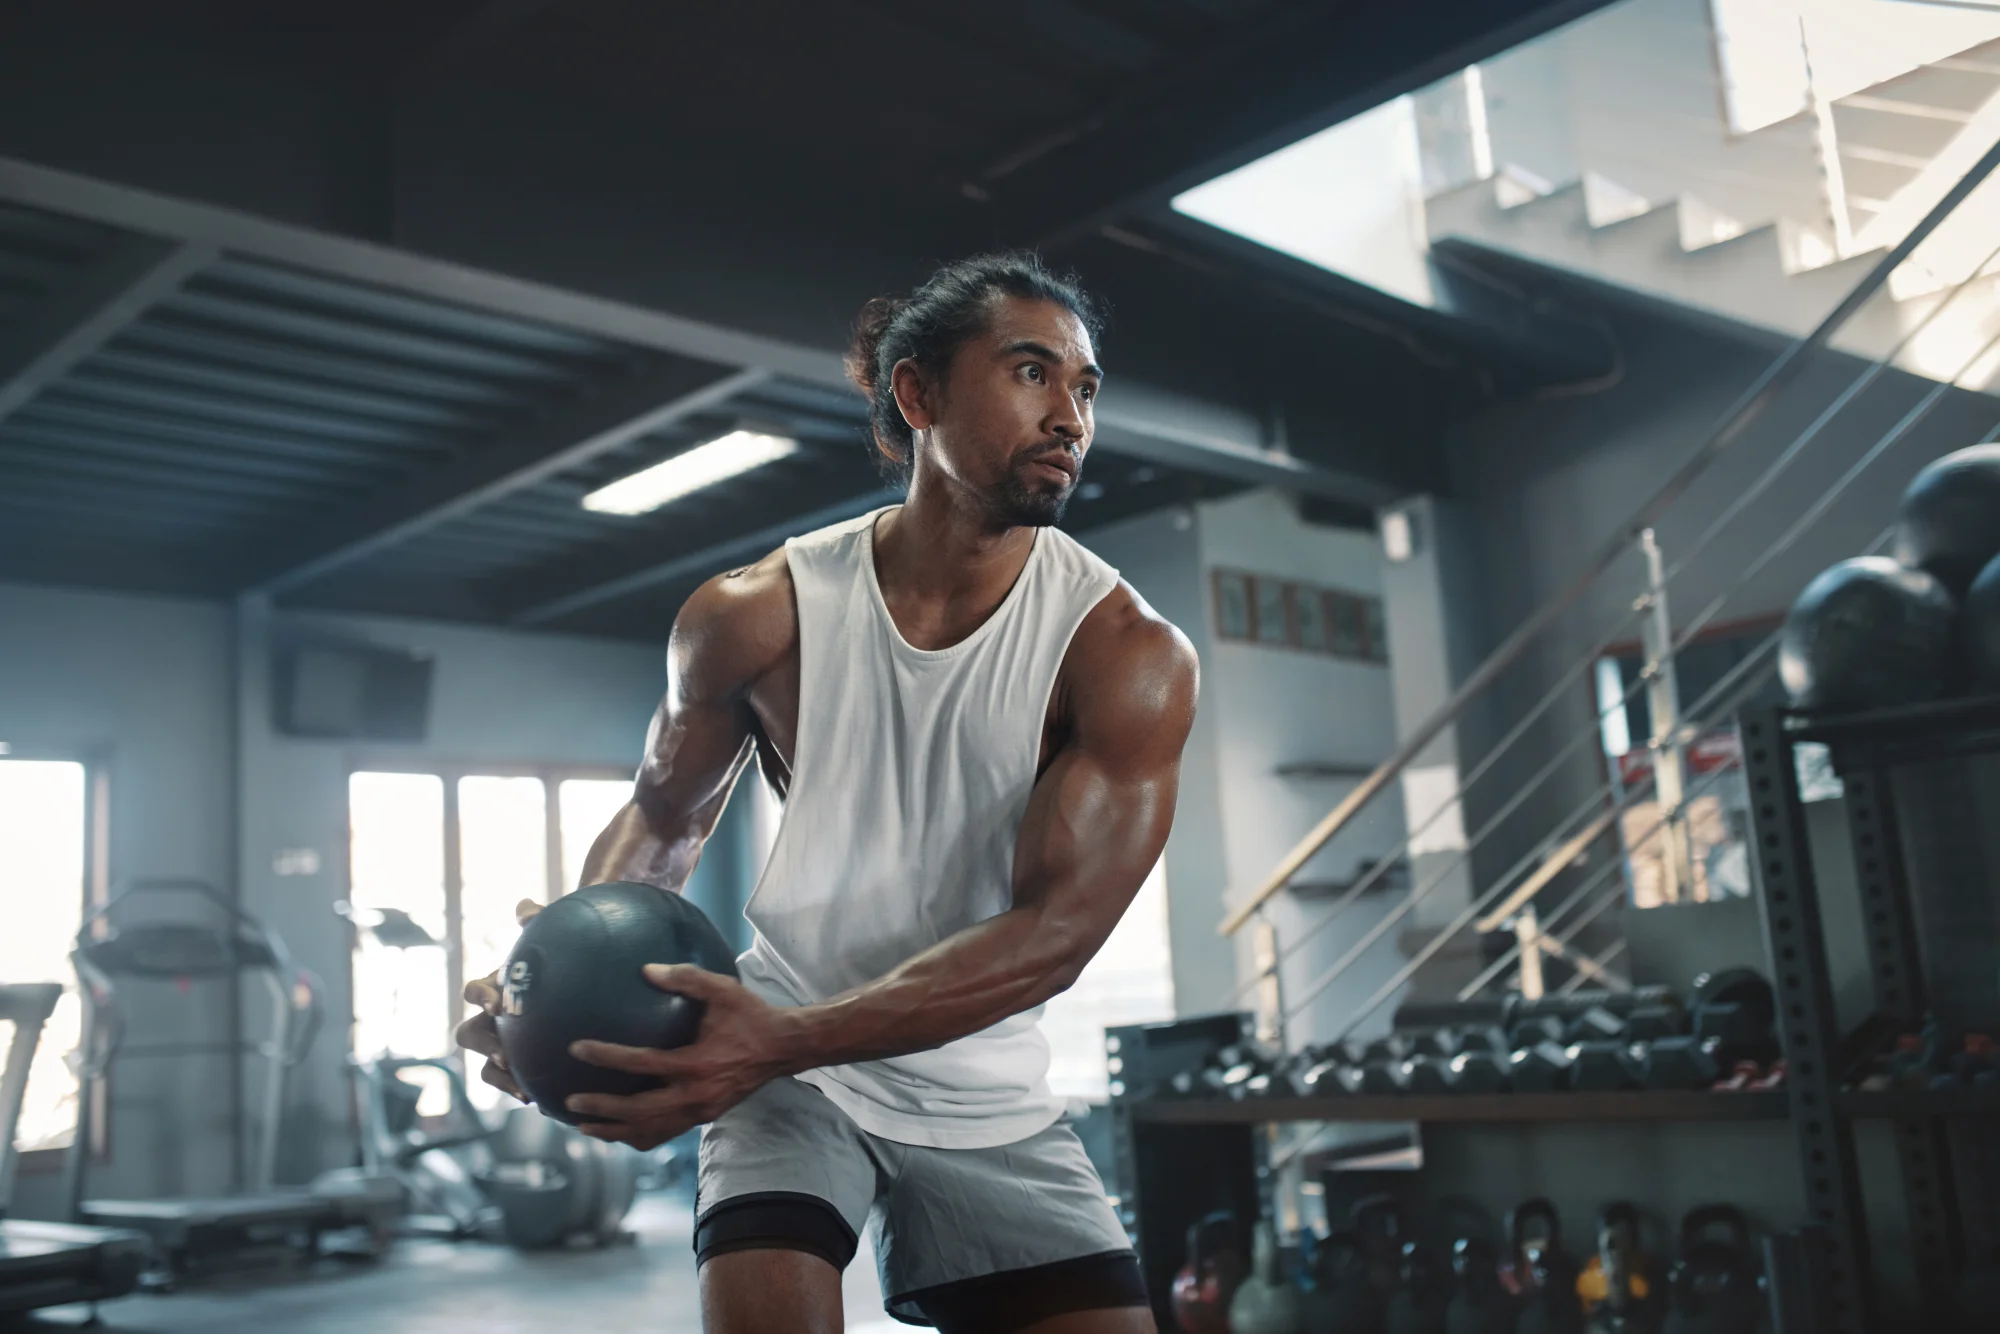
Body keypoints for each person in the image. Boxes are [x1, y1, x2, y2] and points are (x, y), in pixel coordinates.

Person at [459, 253, 1197, 1334]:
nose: (1069, 415)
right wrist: (563, 1006)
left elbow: (1053, 935)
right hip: (787, 1067)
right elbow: (663, 823)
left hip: (978, 1082)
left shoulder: (1124, 652)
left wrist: (779, 1036)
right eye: (1031, 373)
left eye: (1084, 387)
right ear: (918, 394)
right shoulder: (755, 614)